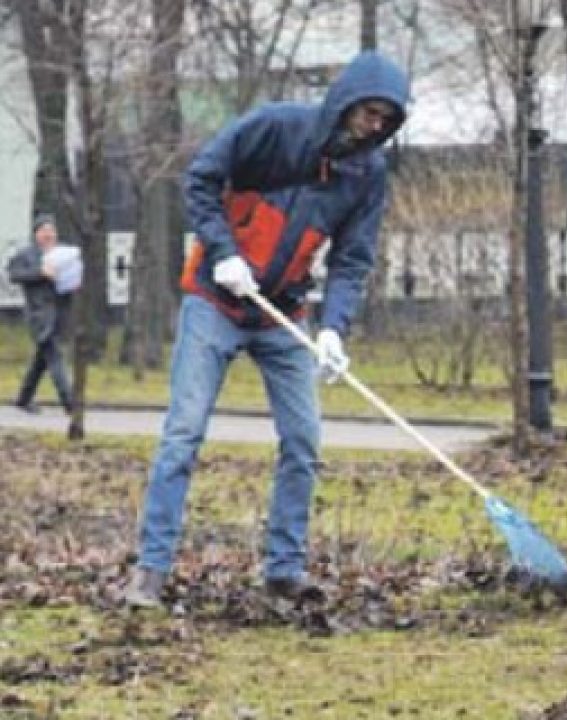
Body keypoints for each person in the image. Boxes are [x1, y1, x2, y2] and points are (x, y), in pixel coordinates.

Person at [123, 50, 410, 608]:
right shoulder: (275, 129)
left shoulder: (367, 175)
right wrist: (223, 252)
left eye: (386, 120)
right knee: (183, 434)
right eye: (370, 113)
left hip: (284, 313)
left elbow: (352, 259)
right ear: (346, 101)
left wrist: (333, 330)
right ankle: (150, 571)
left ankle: (284, 570)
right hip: (215, 298)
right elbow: (202, 179)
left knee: (303, 441)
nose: (375, 127)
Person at [7, 214, 76, 415]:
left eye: (52, 230)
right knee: (55, 357)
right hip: (39, 315)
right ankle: (70, 402)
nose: (49, 234)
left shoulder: (62, 254)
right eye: (44, 230)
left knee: (42, 360)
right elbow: (14, 274)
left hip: (60, 313)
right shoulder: (26, 255)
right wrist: (40, 273)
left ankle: (24, 398)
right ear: (36, 233)